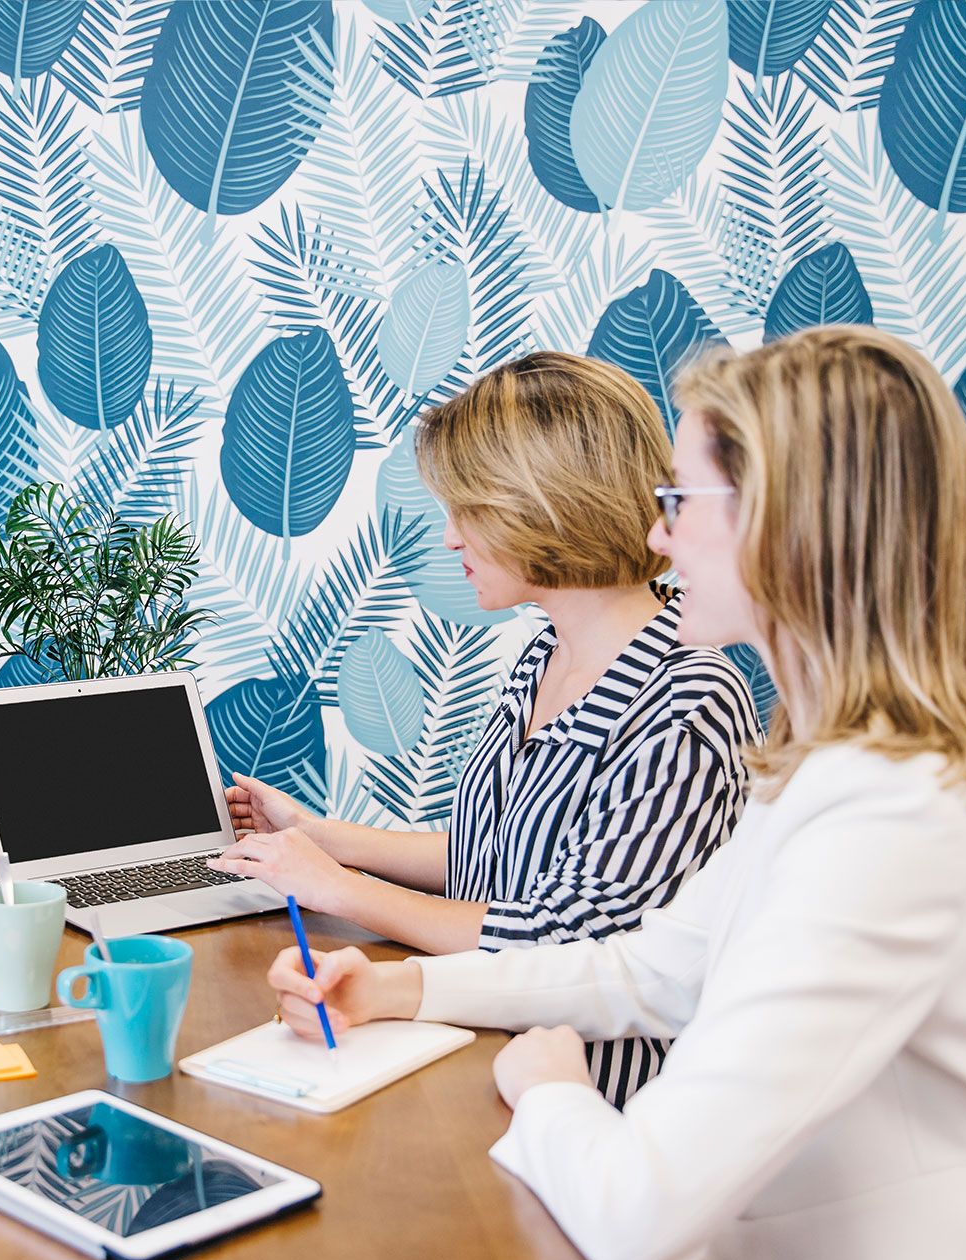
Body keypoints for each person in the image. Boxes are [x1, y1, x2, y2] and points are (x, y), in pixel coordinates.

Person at [267, 326, 966, 1260]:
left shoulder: (892, 810)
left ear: (788, 525)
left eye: (679, 503)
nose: (659, 537)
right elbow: (651, 966)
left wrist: (548, 1088)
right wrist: (400, 991)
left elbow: (642, 1208)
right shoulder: (820, 765)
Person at [213, 351, 760, 1107]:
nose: (448, 539)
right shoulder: (546, 651)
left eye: (467, 510)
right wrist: (323, 835)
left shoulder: (687, 704)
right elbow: (502, 857)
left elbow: (565, 945)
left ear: (543, 503)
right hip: (466, 1042)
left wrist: (340, 889)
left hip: (583, 1097)